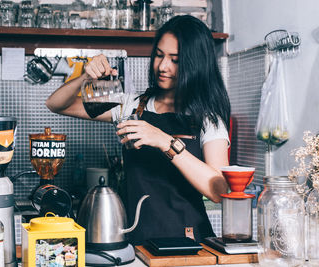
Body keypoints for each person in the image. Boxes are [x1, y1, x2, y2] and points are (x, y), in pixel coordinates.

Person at [46, 15, 230, 245]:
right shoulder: (131, 104)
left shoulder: (208, 118)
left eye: (175, 59)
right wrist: (85, 76)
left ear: (195, 63)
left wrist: (166, 142)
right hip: (136, 237)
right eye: (160, 55)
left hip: (189, 242)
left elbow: (220, 190)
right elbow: (56, 104)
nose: (163, 66)